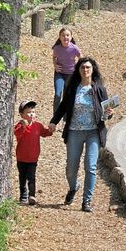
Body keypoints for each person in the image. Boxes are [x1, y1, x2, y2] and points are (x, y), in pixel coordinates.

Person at [48, 57, 113, 212]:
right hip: (74, 131)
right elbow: (63, 106)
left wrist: (109, 113)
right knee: (71, 168)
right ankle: (73, 187)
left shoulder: (99, 89)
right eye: (83, 67)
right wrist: (54, 121)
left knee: (90, 166)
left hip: (93, 132)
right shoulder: (72, 88)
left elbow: (106, 112)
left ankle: (86, 201)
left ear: (93, 70)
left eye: (88, 67)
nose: (85, 70)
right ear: (78, 70)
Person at [14, 100, 53, 205]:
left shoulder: (38, 125)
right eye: (28, 112)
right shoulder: (20, 125)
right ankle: (23, 196)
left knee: (31, 177)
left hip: (33, 158)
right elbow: (17, 133)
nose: (31, 114)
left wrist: (51, 130)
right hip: (21, 157)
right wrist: (24, 126)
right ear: (22, 115)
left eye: (33, 111)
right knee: (22, 177)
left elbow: (45, 133)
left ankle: (32, 195)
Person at [51, 27, 81, 110]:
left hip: (71, 74)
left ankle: (65, 117)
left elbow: (81, 59)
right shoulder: (57, 48)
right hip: (59, 73)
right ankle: (55, 117)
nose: (65, 37)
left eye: (67, 35)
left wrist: (78, 67)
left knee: (66, 95)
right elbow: (54, 57)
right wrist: (55, 64)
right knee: (58, 94)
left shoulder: (74, 48)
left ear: (71, 37)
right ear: (60, 37)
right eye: (63, 35)